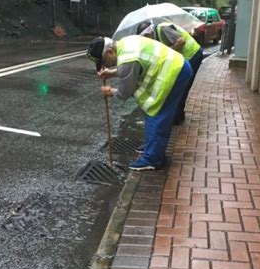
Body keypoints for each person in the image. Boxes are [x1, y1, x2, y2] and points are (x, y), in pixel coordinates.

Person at [87, 35, 193, 171]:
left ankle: (154, 158)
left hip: (174, 73)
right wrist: (111, 73)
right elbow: (132, 67)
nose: (105, 66)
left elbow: (124, 92)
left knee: (158, 114)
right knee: (152, 111)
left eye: (104, 62)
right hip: (176, 66)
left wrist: (109, 91)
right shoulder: (124, 43)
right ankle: (152, 147)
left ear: (109, 52)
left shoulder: (126, 60)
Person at [136, 21, 203, 125]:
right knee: (178, 85)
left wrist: (167, 51)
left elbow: (181, 41)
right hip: (185, 58)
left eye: (145, 38)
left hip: (192, 55)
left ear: (148, 33)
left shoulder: (163, 29)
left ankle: (177, 117)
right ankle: (177, 115)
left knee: (182, 85)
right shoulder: (155, 37)